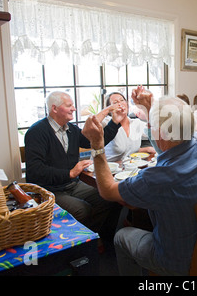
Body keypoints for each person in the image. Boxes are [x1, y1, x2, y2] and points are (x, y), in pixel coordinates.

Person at [82, 87, 197, 276]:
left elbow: (107, 190)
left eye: (153, 128)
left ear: (160, 133)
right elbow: (167, 145)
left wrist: (97, 146)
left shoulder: (157, 178)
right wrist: (150, 110)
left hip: (178, 260)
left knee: (122, 237)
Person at [24, 91, 123, 245]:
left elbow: (96, 141)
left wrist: (115, 123)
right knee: (82, 210)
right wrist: (69, 173)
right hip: (50, 190)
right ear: (54, 108)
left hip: (73, 185)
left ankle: (97, 239)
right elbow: (35, 171)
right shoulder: (36, 132)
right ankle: (86, 243)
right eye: (69, 105)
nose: (74, 109)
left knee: (111, 199)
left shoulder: (71, 129)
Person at [102, 92, 155, 162]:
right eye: (115, 103)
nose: (120, 104)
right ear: (109, 109)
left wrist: (147, 105)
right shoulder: (105, 123)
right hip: (106, 168)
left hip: (127, 168)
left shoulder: (136, 123)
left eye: (122, 100)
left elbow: (155, 130)